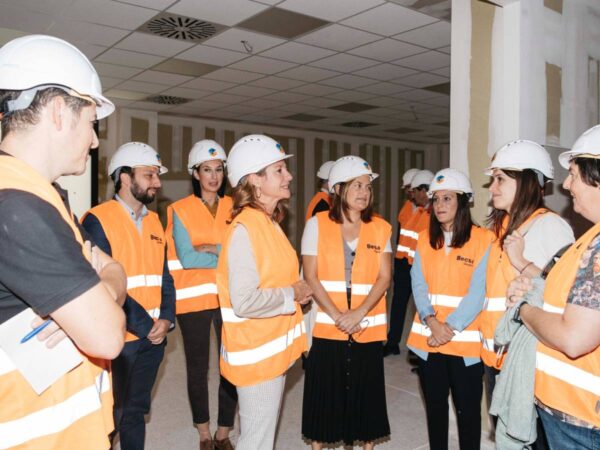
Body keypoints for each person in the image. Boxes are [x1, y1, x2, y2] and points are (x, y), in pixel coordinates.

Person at [0, 34, 126, 449]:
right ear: (58, 111)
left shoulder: (37, 194)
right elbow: (108, 335)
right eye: (91, 123)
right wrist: (105, 292)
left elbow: (112, 267)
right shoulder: (18, 207)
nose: (94, 140)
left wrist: (103, 285)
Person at [506, 124, 600, 449]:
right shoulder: (590, 239)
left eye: (574, 174)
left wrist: (523, 310)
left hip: (582, 421)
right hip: (571, 414)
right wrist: (528, 273)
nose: (567, 184)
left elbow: (575, 338)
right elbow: (563, 292)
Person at [216, 134, 312, 450]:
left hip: (271, 353)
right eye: (279, 171)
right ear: (255, 181)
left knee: (260, 438)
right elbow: (244, 301)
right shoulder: (246, 228)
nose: (289, 176)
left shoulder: (267, 222)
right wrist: (292, 294)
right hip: (256, 358)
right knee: (255, 442)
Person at [81, 142, 175, 450]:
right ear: (124, 177)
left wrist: (167, 319)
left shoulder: (155, 221)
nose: (157, 183)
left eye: (156, 175)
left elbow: (164, 275)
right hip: (118, 339)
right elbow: (101, 285)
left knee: (135, 411)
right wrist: (147, 326)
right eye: (149, 175)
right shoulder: (97, 220)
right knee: (111, 415)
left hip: (152, 337)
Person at [481, 140, 574, 442]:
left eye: (500, 179)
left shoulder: (550, 227)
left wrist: (522, 263)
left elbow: (564, 293)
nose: (492, 187)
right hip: (496, 357)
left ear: (527, 182)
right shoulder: (505, 226)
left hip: (525, 361)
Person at [301, 156, 392, 449]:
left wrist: (359, 313)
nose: (364, 192)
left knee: (366, 389)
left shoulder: (381, 228)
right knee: (325, 388)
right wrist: (340, 315)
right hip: (329, 319)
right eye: (356, 186)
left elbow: (385, 277)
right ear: (338, 189)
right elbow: (311, 277)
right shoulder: (317, 225)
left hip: (366, 320)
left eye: (367, 186)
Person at [406, 168, 494, 450]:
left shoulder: (484, 240)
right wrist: (432, 321)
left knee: (467, 414)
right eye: (436, 199)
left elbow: (478, 292)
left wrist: (449, 328)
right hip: (428, 342)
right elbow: (417, 285)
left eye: (448, 199)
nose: (440, 206)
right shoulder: (423, 239)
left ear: (463, 202)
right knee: (435, 411)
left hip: (464, 346)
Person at [165, 139, 237, 450]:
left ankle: (224, 432)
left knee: (230, 364)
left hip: (230, 298)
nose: (213, 176)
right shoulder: (178, 210)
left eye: (218, 170)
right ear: (195, 173)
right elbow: (187, 258)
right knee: (198, 367)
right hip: (192, 300)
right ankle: (204, 433)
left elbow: (244, 253)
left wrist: (213, 248)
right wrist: (224, 253)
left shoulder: (236, 208)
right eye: (206, 170)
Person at [384, 167, 420, 356]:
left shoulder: (429, 210)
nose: (407, 191)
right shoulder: (407, 206)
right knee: (398, 304)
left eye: (409, 187)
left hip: (420, 266)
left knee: (421, 308)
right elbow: (401, 236)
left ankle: (419, 348)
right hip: (403, 264)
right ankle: (393, 343)